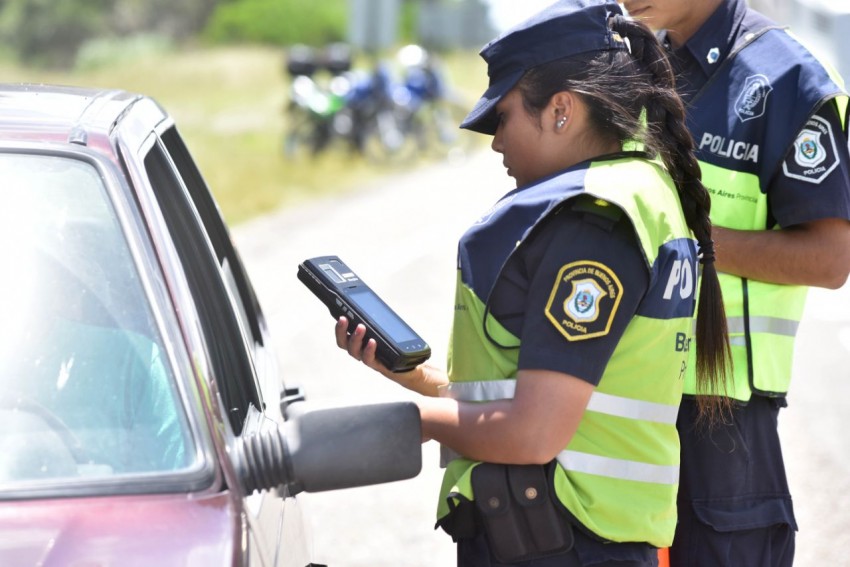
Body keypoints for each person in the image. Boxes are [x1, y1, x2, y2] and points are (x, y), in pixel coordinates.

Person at [333, 1, 731, 565]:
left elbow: (533, 433)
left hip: (567, 545)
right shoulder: (636, 193)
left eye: (505, 118)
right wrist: (418, 378)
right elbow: (541, 399)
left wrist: (410, 424)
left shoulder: (595, 220)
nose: (496, 142)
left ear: (561, 111)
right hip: (580, 540)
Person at [621, 1, 850, 565]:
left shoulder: (790, 78)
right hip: (618, 393)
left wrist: (684, 240)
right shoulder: (630, 62)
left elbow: (830, 258)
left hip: (722, 413)